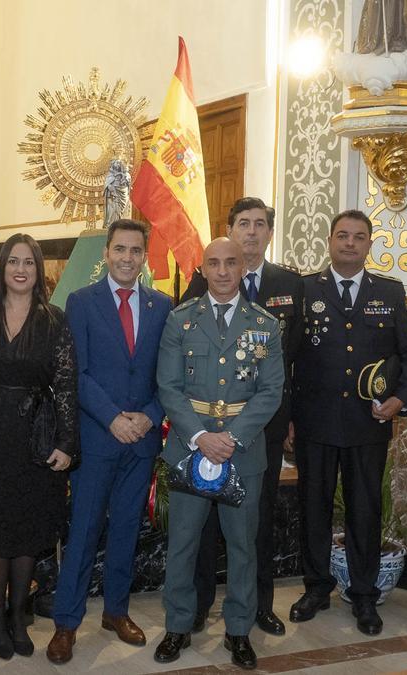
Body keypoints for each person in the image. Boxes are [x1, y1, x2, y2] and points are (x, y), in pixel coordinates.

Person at [46, 219, 173, 665]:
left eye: (135, 250)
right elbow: (75, 374)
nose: (126, 257)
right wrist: (112, 418)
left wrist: (150, 417)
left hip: (141, 441)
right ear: (107, 252)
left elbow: (168, 376)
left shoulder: (164, 306)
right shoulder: (81, 303)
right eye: (119, 249)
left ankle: (116, 611)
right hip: (98, 439)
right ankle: (66, 621)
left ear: (144, 256)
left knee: (125, 531)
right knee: (83, 532)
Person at [153, 237, 284, 670]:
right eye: (215, 263)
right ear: (203, 269)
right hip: (190, 450)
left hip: (242, 454)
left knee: (243, 546)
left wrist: (233, 439)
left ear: (244, 267)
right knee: (183, 544)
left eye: (232, 262)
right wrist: (199, 437)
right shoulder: (181, 321)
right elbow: (168, 387)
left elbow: (270, 391)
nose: (224, 271)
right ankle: (178, 625)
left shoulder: (265, 324)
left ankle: (239, 631)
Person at [288, 209, 407, 636]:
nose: (350, 243)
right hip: (314, 421)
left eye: (359, 237)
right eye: (342, 235)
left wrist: (400, 398)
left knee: (365, 509)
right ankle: (316, 587)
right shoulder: (305, 289)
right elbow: (285, 358)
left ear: (368, 244)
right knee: (314, 508)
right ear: (329, 241)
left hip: (368, 422)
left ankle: (364, 595)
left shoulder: (390, 291)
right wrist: (287, 417)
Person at [181, 199, 302, 636]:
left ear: (270, 232)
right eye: (243, 224)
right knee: (204, 521)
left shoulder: (290, 284)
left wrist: (292, 418)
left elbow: (296, 360)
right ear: (230, 230)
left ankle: (258, 607)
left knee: (256, 522)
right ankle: (197, 605)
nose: (251, 232)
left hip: (261, 430)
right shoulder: (201, 282)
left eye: (260, 225)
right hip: (206, 432)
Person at [0, 233, 79, 660]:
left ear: (39, 270)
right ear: (2, 268)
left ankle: (17, 615)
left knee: (27, 528)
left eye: (29, 262)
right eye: (13, 261)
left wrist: (67, 442)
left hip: (36, 433)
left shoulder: (54, 319)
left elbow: (66, 385)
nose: (21, 269)